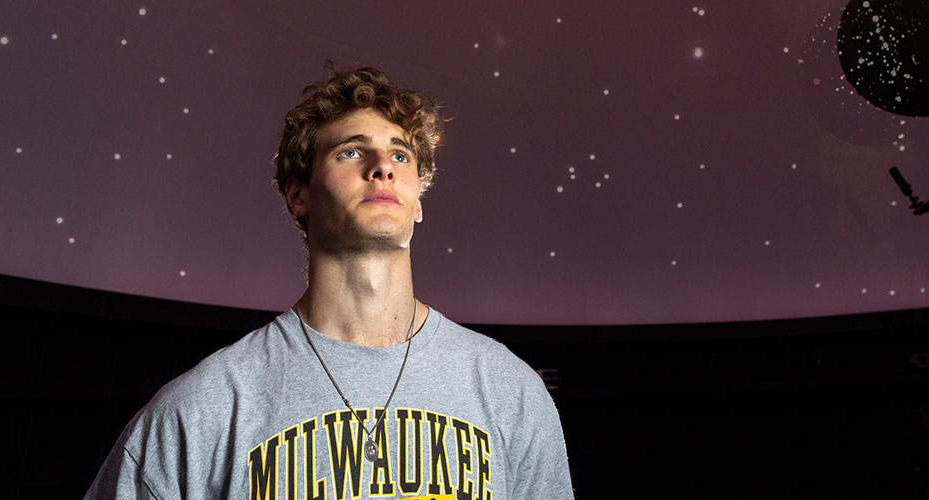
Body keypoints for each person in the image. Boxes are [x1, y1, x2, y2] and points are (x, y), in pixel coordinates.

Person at [85, 65, 573, 500]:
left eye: (401, 156)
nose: (382, 167)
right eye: (351, 151)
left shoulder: (511, 391)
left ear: (418, 203)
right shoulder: (200, 410)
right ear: (298, 195)